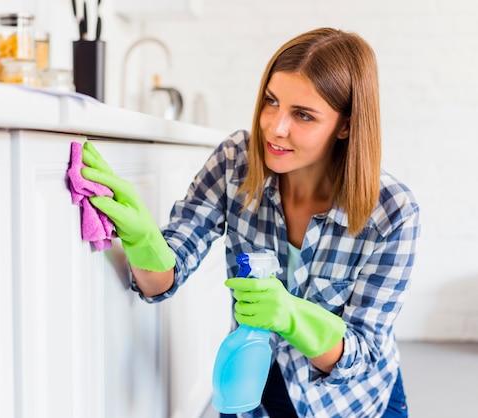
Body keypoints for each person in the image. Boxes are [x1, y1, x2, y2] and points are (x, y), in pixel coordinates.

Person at [81, 27, 420, 418]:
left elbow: (361, 357)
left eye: (304, 115)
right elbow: (159, 283)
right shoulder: (234, 163)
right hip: (254, 386)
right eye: (271, 102)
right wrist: (142, 237)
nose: (276, 127)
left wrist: (291, 317)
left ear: (345, 125)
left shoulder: (392, 213)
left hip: (350, 402)